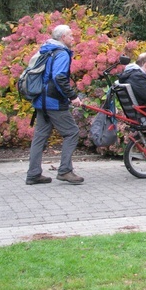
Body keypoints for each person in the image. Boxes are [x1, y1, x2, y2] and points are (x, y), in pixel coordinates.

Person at [26, 25, 84, 185]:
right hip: (53, 102)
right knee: (72, 132)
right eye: (71, 35)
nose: (73, 38)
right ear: (63, 37)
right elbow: (59, 77)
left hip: (40, 100)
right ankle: (65, 170)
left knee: (39, 137)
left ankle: (33, 174)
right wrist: (73, 97)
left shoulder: (47, 50)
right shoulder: (61, 53)